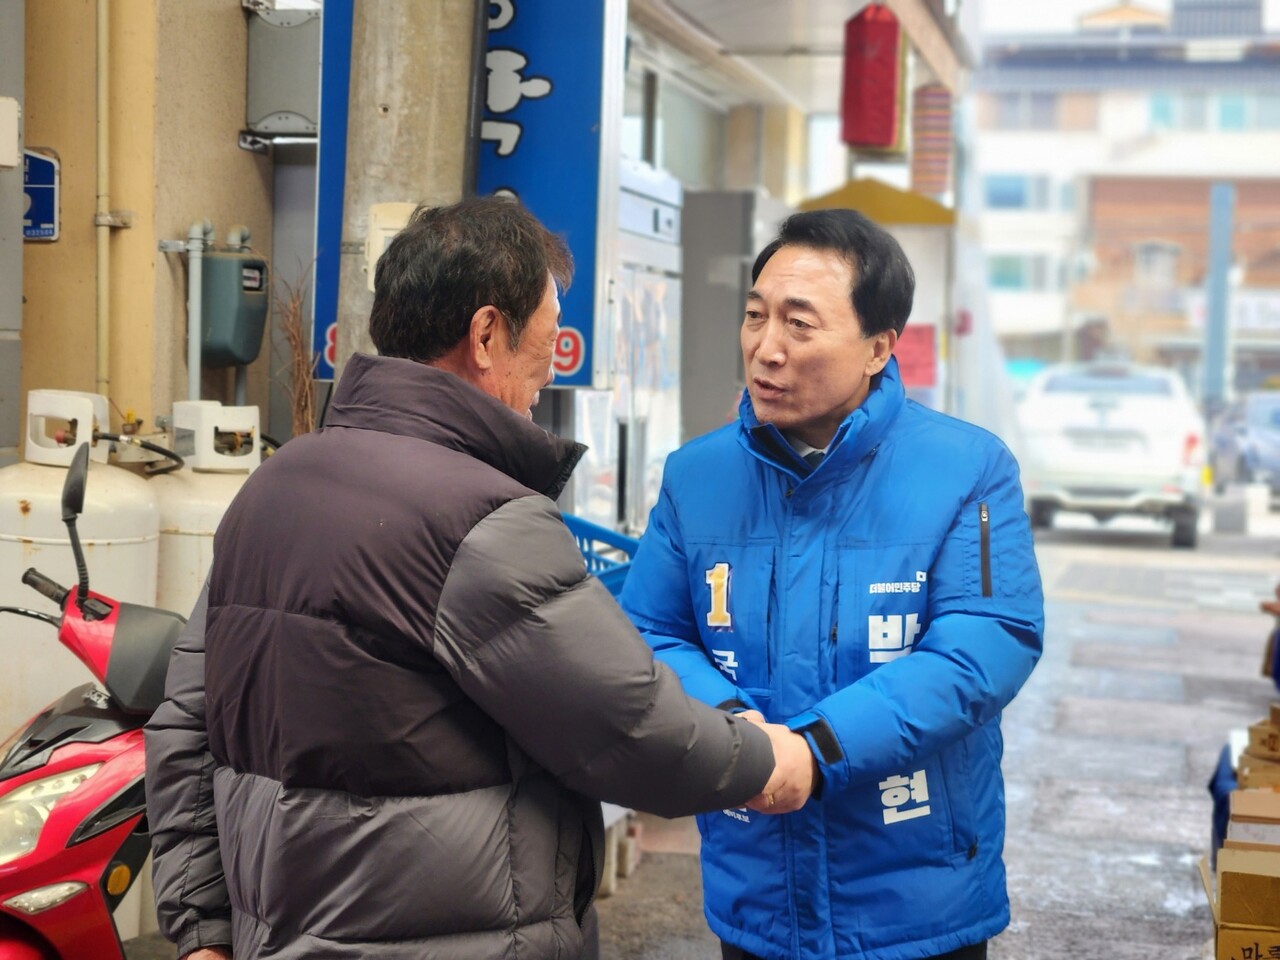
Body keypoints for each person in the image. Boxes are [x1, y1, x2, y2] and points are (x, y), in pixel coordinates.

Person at [144, 196, 811, 960]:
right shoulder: (480, 521)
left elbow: (186, 723)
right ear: (488, 335)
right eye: (550, 339)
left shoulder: (274, 486)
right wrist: (767, 760)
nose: (547, 372)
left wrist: (203, 932)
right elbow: (630, 729)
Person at [619, 208, 1045, 960]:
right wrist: (738, 735)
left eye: (800, 324)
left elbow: (983, 647)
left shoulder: (968, 469)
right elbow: (649, 631)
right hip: (755, 884)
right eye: (755, 317)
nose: (766, 349)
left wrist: (816, 751)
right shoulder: (697, 475)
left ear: (879, 346)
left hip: (916, 899)